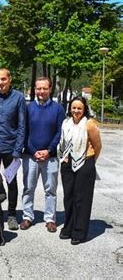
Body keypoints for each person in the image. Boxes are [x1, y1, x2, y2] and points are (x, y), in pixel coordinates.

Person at [20, 77, 65, 232]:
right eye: (39, 88)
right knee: (28, 188)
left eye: (45, 88)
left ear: (50, 89)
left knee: (50, 190)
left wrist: (49, 150)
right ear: (34, 88)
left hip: (50, 157)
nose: (41, 91)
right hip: (30, 156)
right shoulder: (28, 108)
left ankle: (50, 219)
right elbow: (23, 132)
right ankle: (27, 217)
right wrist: (33, 151)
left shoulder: (58, 109)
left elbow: (60, 132)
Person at [0, 68, 26, 230]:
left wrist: (18, 149)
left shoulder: (18, 98)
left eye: (3, 79)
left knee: (11, 181)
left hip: (10, 147)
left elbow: (22, 125)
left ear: (9, 79)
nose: (0, 82)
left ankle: (12, 214)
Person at [58, 96, 102, 245]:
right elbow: (63, 142)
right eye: (74, 107)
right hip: (67, 163)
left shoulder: (89, 124)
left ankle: (79, 231)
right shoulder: (66, 123)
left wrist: (90, 161)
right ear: (70, 108)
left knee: (81, 199)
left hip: (85, 163)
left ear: (84, 110)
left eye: (79, 108)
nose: (76, 111)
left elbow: (97, 145)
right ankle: (69, 227)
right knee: (69, 197)